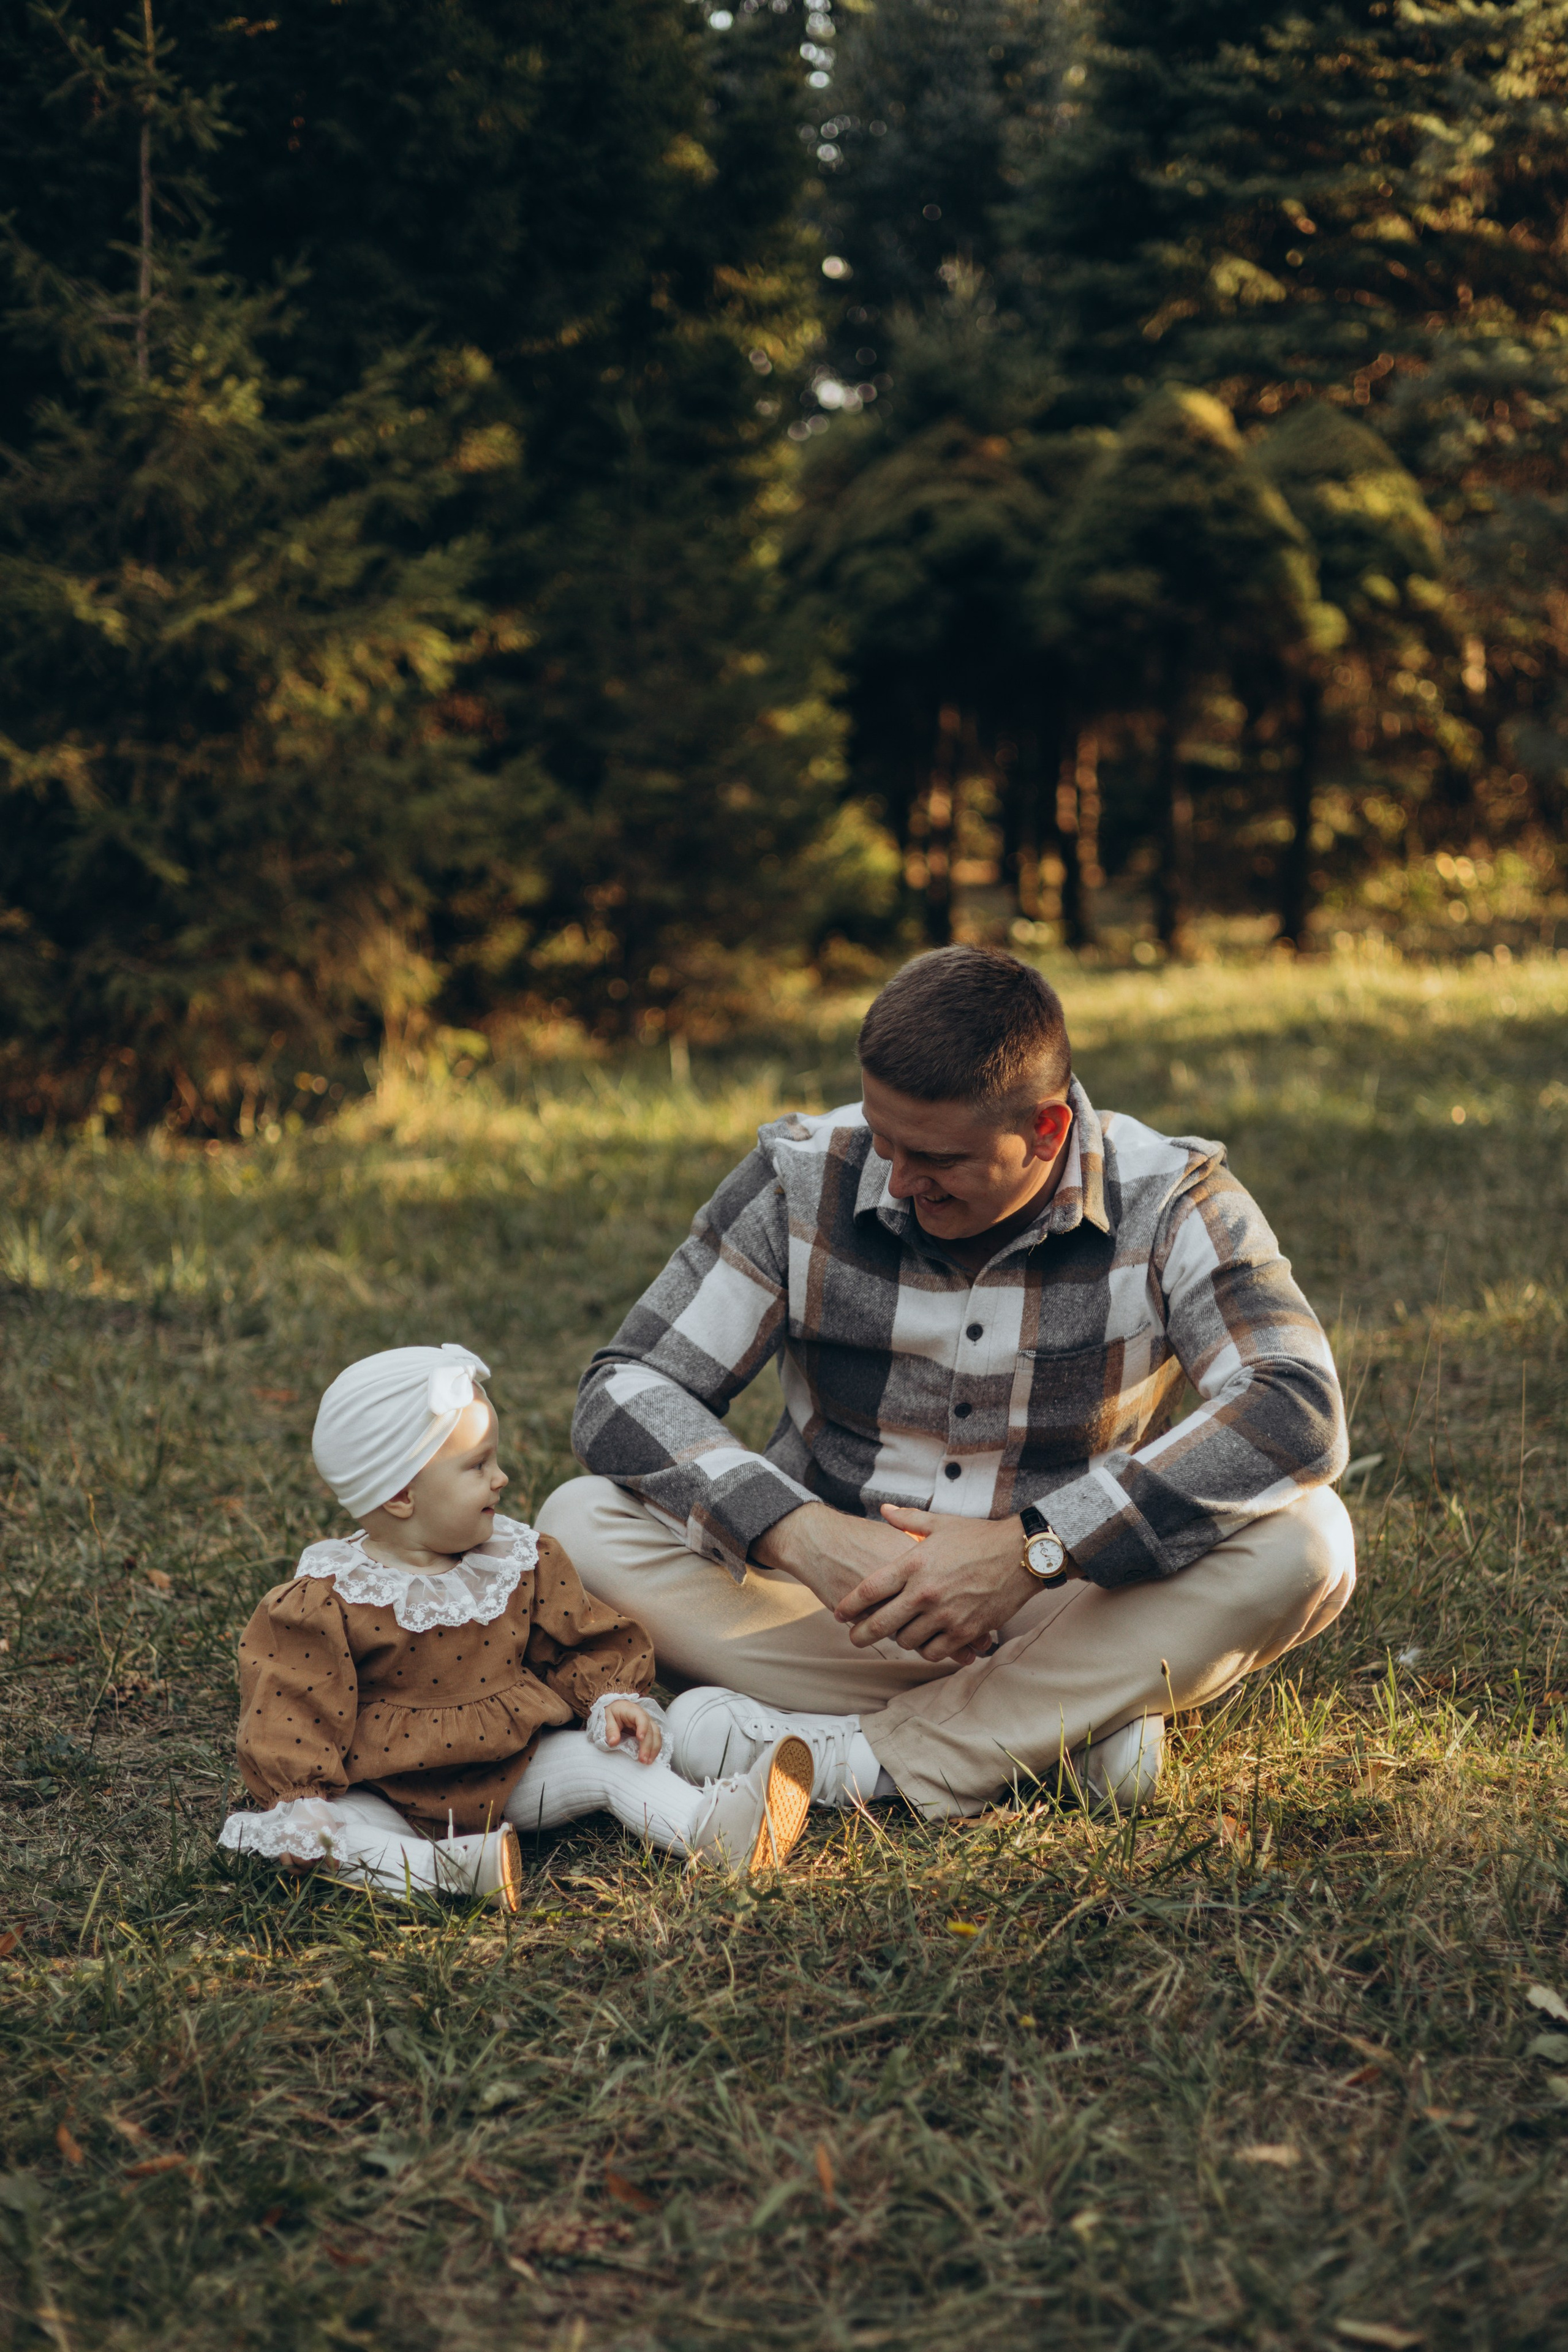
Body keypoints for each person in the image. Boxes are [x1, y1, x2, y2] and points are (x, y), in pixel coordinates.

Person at [539, 946, 1356, 1821]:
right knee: (578, 1525)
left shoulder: (1171, 1197)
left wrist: (1034, 1550)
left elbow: (1296, 1408)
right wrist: (799, 1534)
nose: (895, 1179)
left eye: (933, 1158)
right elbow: (625, 1386)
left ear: (1046, 1131)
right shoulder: (799, 1176)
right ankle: (1062, 1725)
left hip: (1069, 1602)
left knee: (1311, 1541)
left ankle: (867, 1754)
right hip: (837, 1610)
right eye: (882, 1139)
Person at [217, 1343, 813, 1901]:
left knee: (609, 1758)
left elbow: (572, 1639)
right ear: (401, 1496)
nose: (500, 1478)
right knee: (327, 1834)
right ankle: (444, 1871)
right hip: (385, 1791)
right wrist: (302, 1798)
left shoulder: (518, 1562)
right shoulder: (327, 1599)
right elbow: (294, 1705)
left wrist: (609, 1697)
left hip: (512, 1768)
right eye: (478, 1466)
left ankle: (709, 1829)